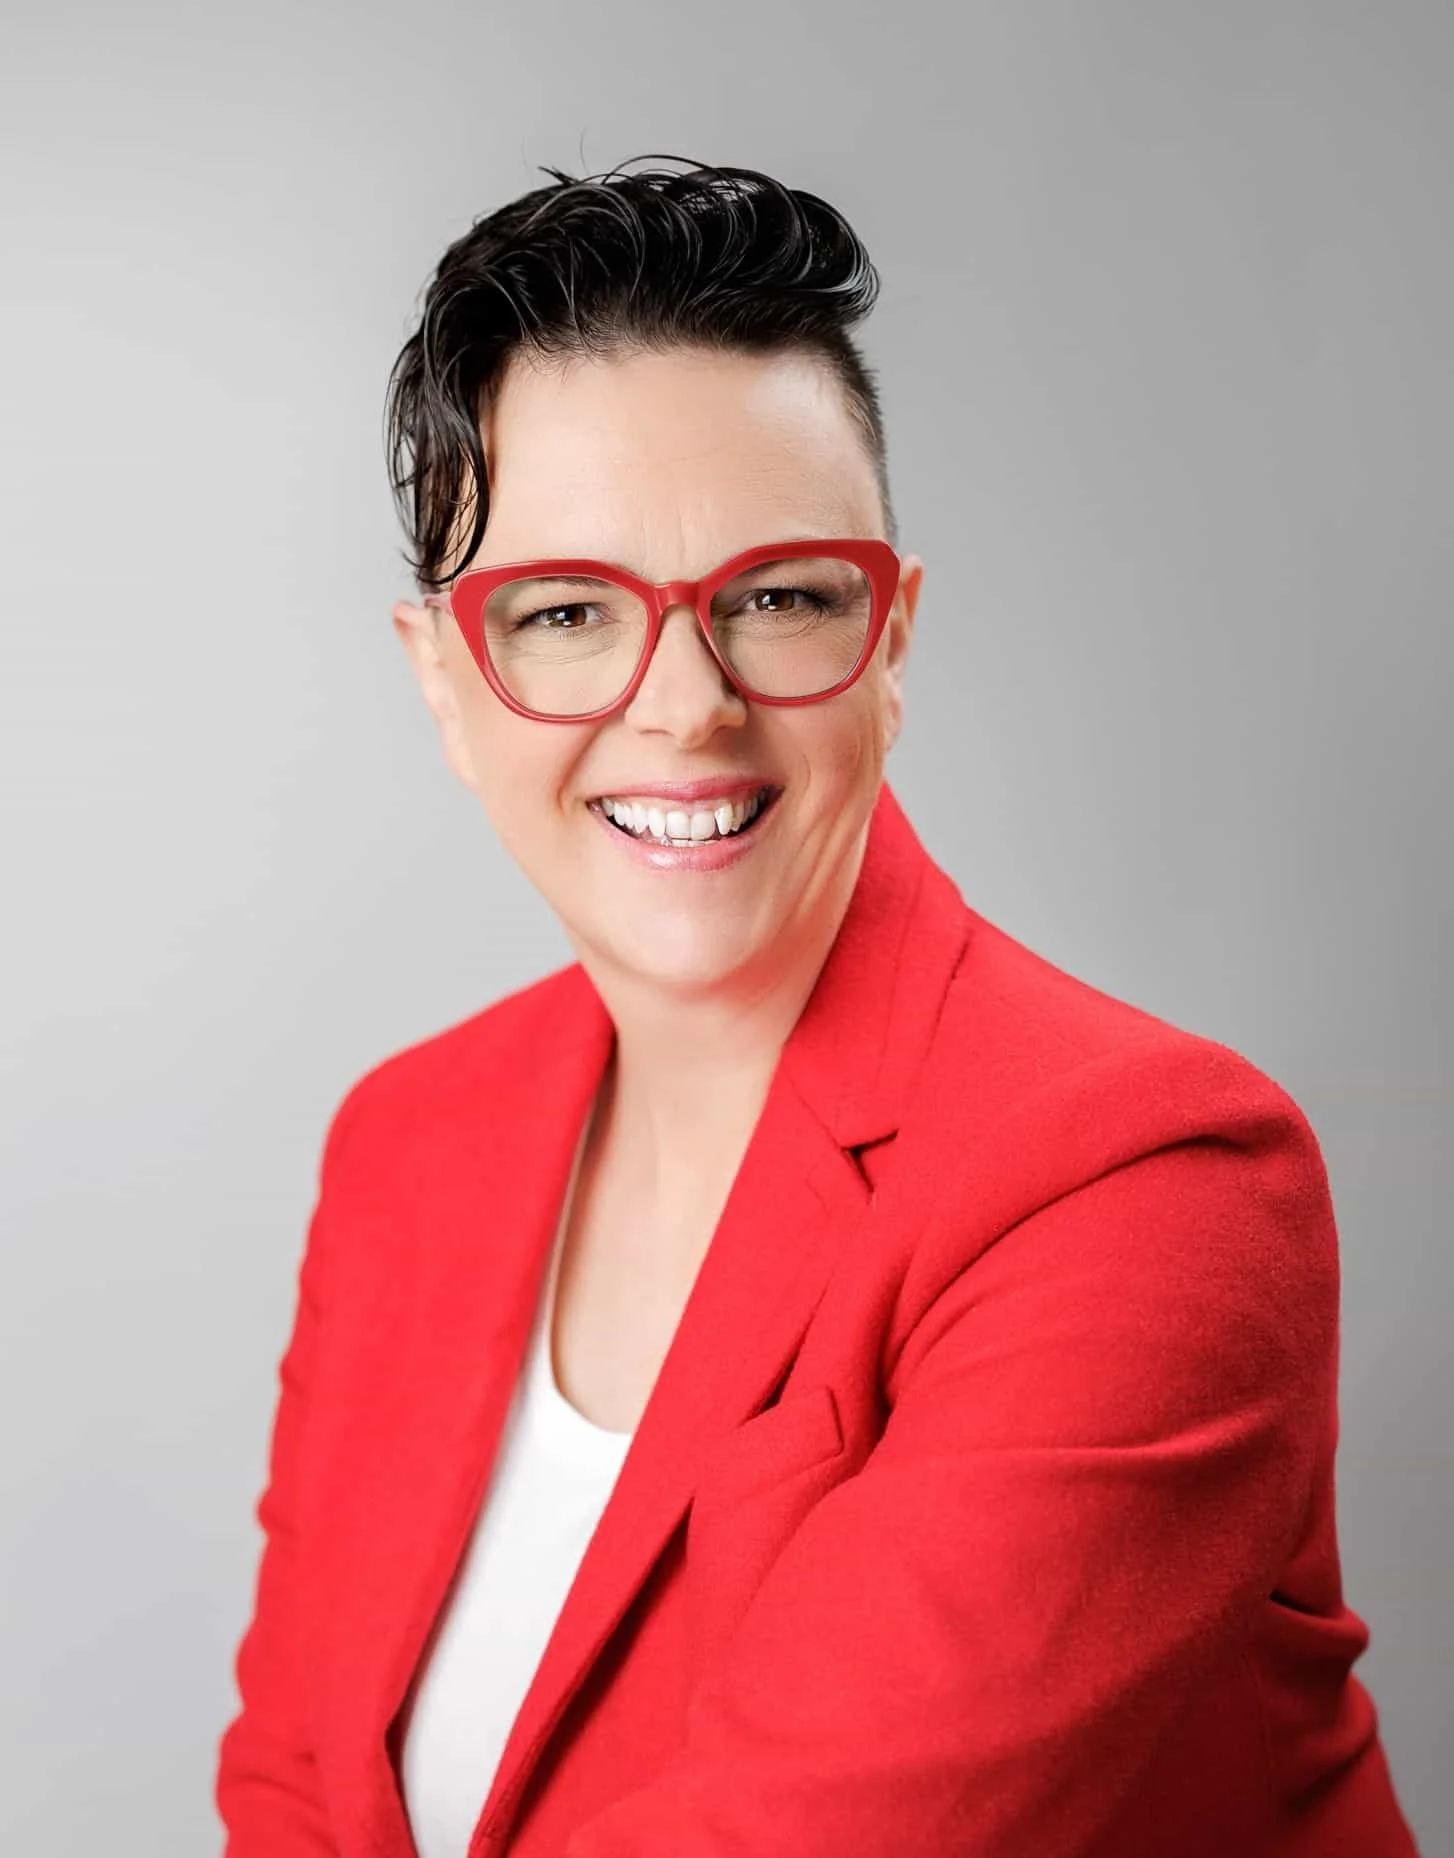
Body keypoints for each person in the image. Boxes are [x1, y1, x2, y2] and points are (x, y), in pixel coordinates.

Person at [214, 157, 1420, 1858]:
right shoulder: (409, 1141)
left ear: (895, 636)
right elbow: (297, 1783)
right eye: (565, 613)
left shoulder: (1146, 1184)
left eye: (778, 598)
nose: (686, 706)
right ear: (444, 676)